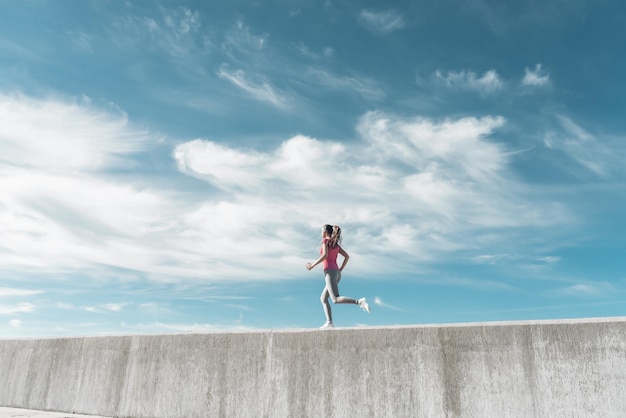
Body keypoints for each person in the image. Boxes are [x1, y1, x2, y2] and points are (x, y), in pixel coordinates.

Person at [306, 224, 370, 329]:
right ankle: (329, 322)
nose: (320, 233)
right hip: (336, 273)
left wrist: (312, 265)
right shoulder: (335, 244)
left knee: (335, 299)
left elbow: (325, 255)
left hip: (330, 273)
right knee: (323, 298)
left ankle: (359, 302)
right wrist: (340, 270)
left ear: (325, 231)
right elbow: (347, 257)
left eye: (321, 231)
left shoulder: (325, 241)